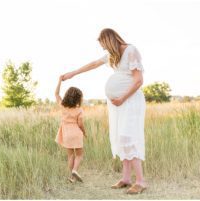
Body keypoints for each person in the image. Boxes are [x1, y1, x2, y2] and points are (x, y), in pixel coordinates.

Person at [62, 28, 147, 194]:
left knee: (128, 136)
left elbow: (138, 81)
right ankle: (126, 178)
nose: (103, 49)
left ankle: (141, 181)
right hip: (118, 103)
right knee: (120, 137)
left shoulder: (131, 50)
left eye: (103, 45)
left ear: (109, 40)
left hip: (130, 101)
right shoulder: (112, 56)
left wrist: (122, 97)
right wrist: (73, 73)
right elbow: (94, 64)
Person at [55, 75, 87, 183]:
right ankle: (75, 170)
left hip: (66, 133)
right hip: (76, 133)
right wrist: (84, 132)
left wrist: (60, 80)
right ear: (78, 98)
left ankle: (72, 178)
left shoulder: (63, 106)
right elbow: (81, 124)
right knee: (79, 154)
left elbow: (56, 93)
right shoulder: (79, 110)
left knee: (70, 155)